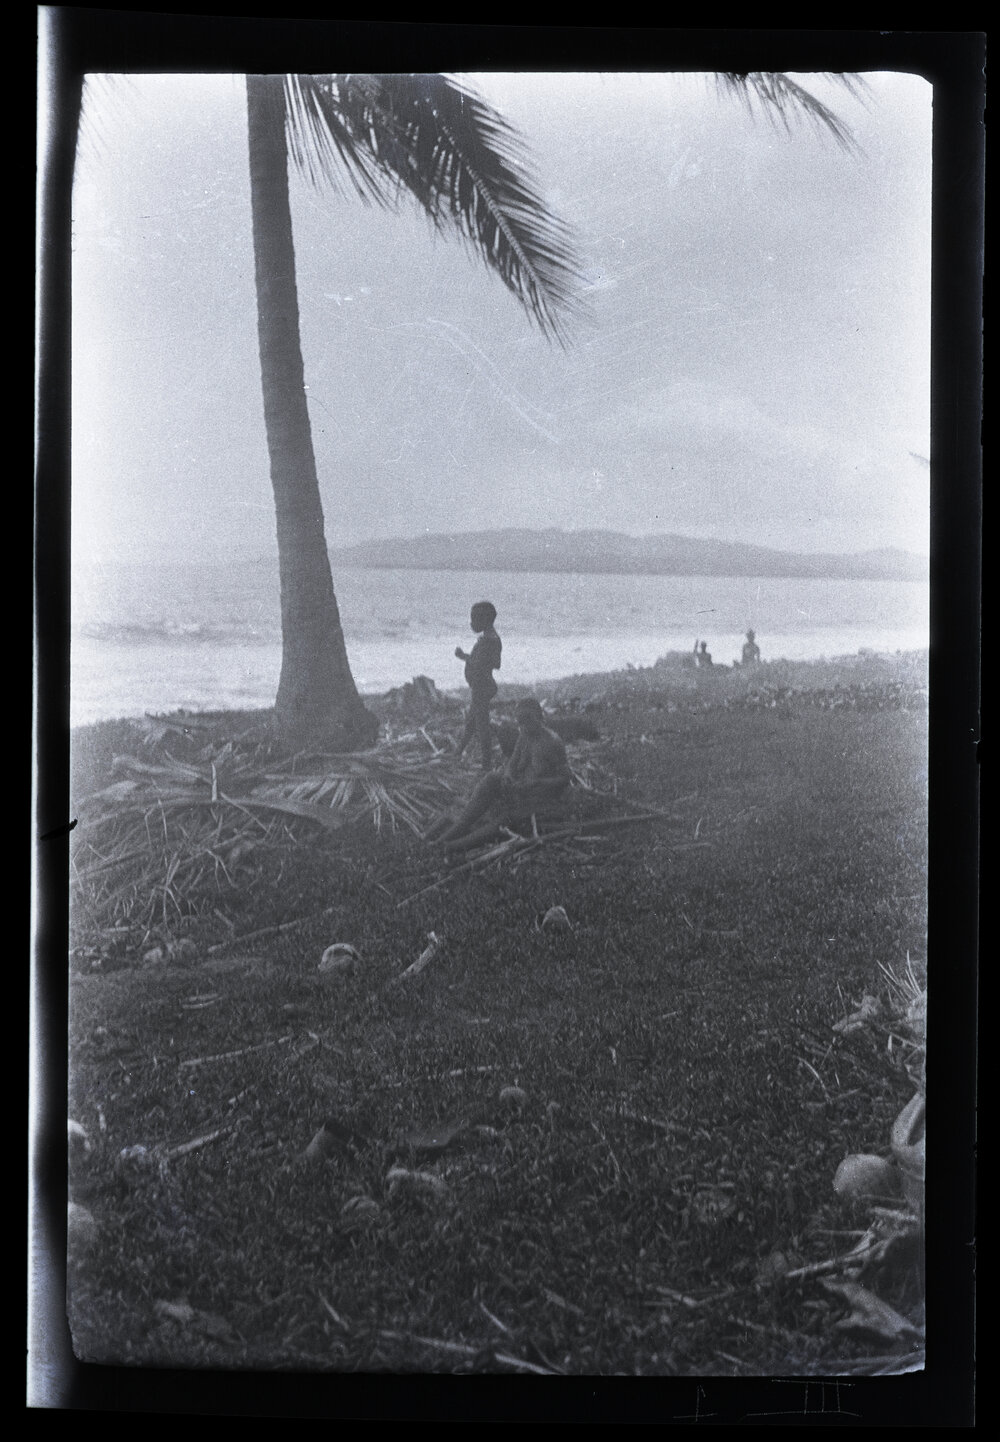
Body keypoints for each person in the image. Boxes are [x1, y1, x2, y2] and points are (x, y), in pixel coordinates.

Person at [428, 697, 571, 851]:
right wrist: (508, 776)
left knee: (507, 817)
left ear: (540, 716)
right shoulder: (524, 736)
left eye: (529, 719)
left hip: (541, 799)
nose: (525, 725)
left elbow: (565, 778)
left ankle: (454, 846)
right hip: (522, 790)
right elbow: (513, 762)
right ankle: (452, 833)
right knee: (491, 779)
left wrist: (537, 784)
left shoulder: (553, 742)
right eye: (521, 721)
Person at [454, 601, 502, 770]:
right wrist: (467, 657)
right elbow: (483, 661)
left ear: (485, 620)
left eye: (474, 619)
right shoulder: (488, 639)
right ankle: (457, 753)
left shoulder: (490, 641)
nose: (471, 623)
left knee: (481, 726)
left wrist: (465, 658)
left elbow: (493, 663)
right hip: (480, 686)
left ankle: (486, 765)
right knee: (472, 723)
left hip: (482, 687)